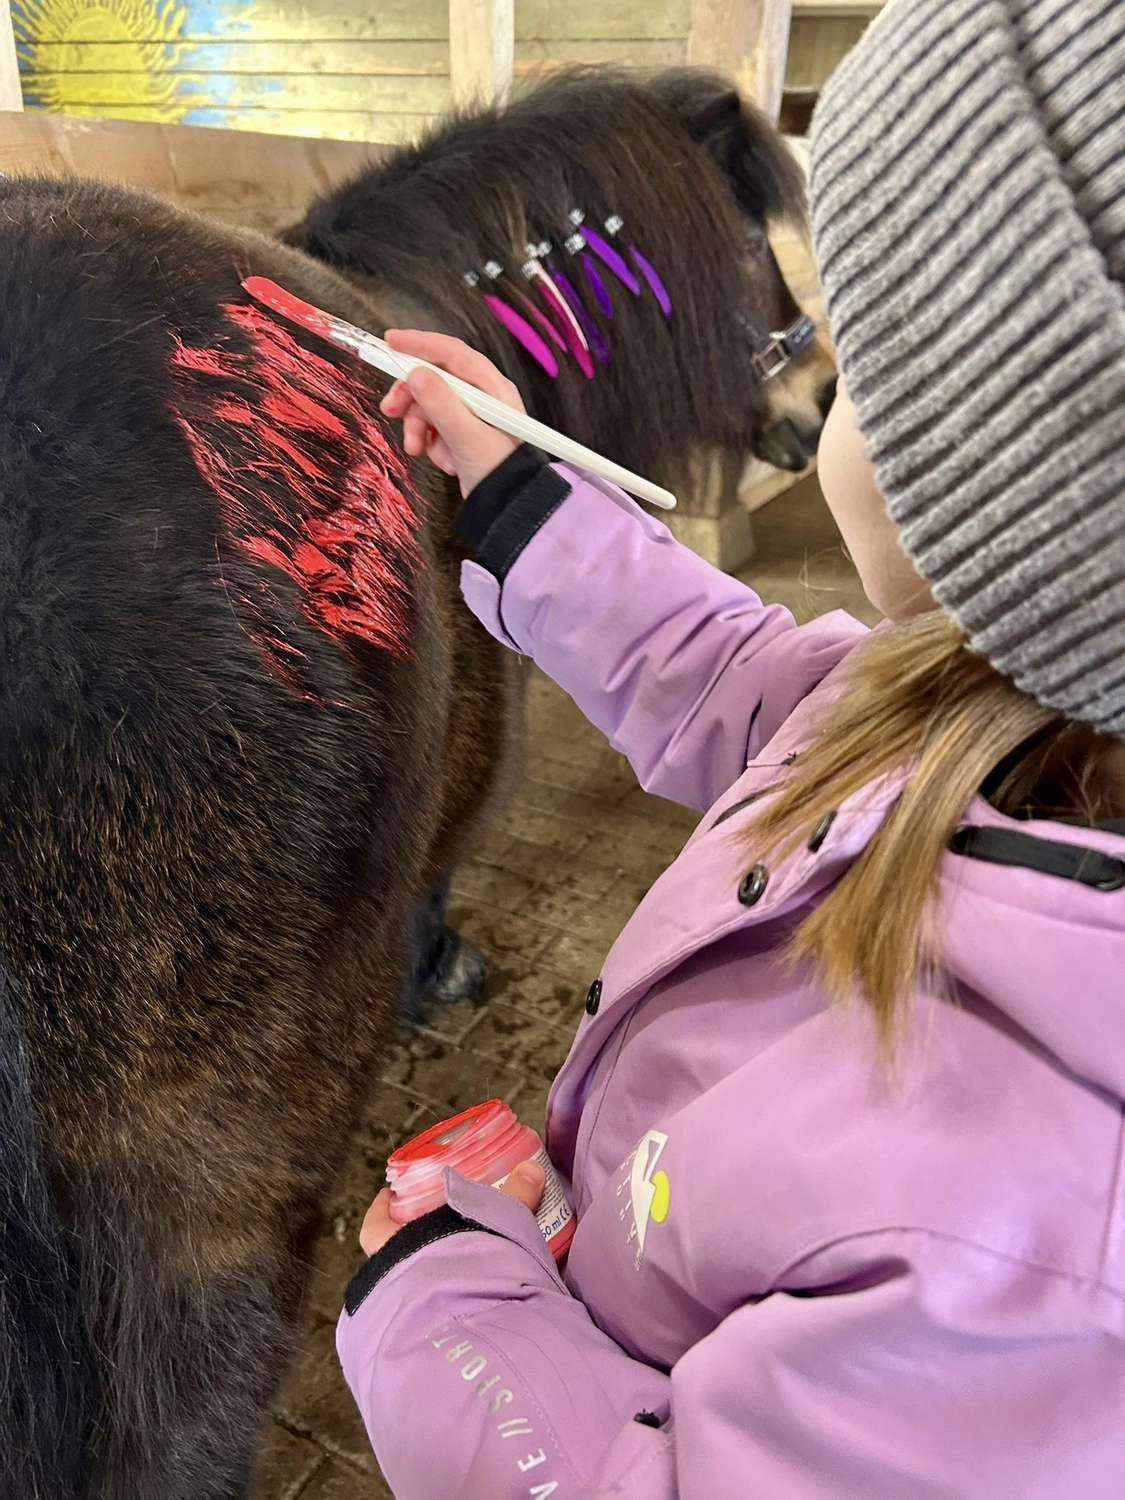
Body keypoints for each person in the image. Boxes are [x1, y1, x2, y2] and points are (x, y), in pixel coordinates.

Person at [337, 1, 1125, 1493]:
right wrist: (518, 490)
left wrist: (449, 1293)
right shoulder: (982, 700)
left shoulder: (1045, 1242)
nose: (825, 391)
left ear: (1012, 486)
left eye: (872, 366)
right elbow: (742, 679)